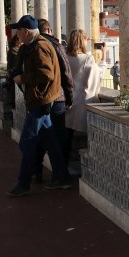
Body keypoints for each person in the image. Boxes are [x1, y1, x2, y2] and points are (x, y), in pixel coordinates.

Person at [6, 15, 71, 197]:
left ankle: (23, 183)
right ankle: (62, 177)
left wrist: (22, 78)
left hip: (41, 101)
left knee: (27, 143)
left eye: (18, 30)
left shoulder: (39, 48)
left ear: (26, 32)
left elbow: (46, 75)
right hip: (41, 100)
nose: (16, 34)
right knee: (50, 141)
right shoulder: (35, 45)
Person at [32, 18, 73, 183]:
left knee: (39, 137)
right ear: (49, 30)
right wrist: (69, 97)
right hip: (57, 98)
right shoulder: (56, 45)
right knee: (58, 138)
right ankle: (60, 175)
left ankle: (36, 171)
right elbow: (66, 73)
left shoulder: (31, 46)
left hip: (38, 99)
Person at [65, 29, 101, 171]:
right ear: (83, 40)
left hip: (66, 101)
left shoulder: (65, 57)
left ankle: (64, 168)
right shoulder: (87, 59)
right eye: (86, 38)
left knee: (66, 138)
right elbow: (91, 86)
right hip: (81, 102)